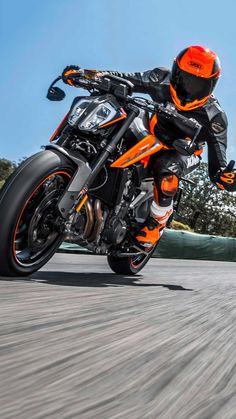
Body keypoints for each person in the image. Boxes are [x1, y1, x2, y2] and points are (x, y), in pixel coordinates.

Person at [62, 45, 236, 248]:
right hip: (153, 131)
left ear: (210, 86)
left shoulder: (215, 117)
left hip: (184, 150)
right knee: (117, 115)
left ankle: (157, 221)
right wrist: (88, 75)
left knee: (167, 167)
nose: (188, 88)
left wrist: (225, 177)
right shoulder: (160, 78)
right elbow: (123, 78)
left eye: (197, 85)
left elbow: (219, 162)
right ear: (175, 71)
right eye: (184, 79)